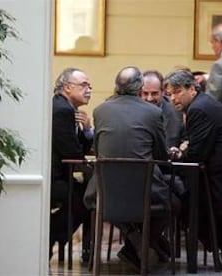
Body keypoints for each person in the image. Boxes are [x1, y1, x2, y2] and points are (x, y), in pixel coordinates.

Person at [84, 66, 181, 271]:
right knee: (173, 203)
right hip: (144, 189)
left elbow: (98, 149)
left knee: (119, 208)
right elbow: (161, 156)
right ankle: (138, 244)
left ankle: (134, 241)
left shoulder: (100, 110)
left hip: (104, 190)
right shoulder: (153, 112)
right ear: (139, 87)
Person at [164, 70, 222, 270]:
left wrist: (182, 154)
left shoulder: (198, 110)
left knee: (187, 203)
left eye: (177, 91)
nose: (173, 98)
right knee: (191, 198)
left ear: (192, 88)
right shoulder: (202, 103)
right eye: (170, 94)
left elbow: (197, 154)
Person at [50, 67, 93, 260]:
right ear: (67, 87)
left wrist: (86, 130)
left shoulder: (65, 107)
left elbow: (76, 151)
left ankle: (55, 236)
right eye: (84, 85)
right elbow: (73, 153)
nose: (89, 90)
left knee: (84, 193)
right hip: (53, 178)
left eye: (90, 86)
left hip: (59, 175)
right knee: (87, 197)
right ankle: (51, 235)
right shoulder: (63, 110)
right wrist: (87, 133)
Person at [141, 70, 184, 148]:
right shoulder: (131, 111)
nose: (149, 98)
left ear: (163, 92)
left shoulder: (177, 112)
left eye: (154, 93)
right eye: (145, 93)